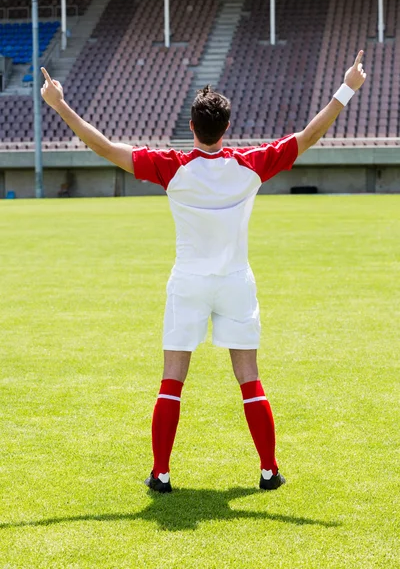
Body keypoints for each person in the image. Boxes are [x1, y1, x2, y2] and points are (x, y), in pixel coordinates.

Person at [41, 51, 366, 494]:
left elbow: (102, 146)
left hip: (188, 284)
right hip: (236, 283)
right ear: (226, 128)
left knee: (172, 377)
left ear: (191, 127)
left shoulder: (173, 168)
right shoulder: (251, 164)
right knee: (249, 377)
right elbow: (310, 135)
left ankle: (162, 473)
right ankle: (269, 471)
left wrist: (59, 104)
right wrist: (348, 86)